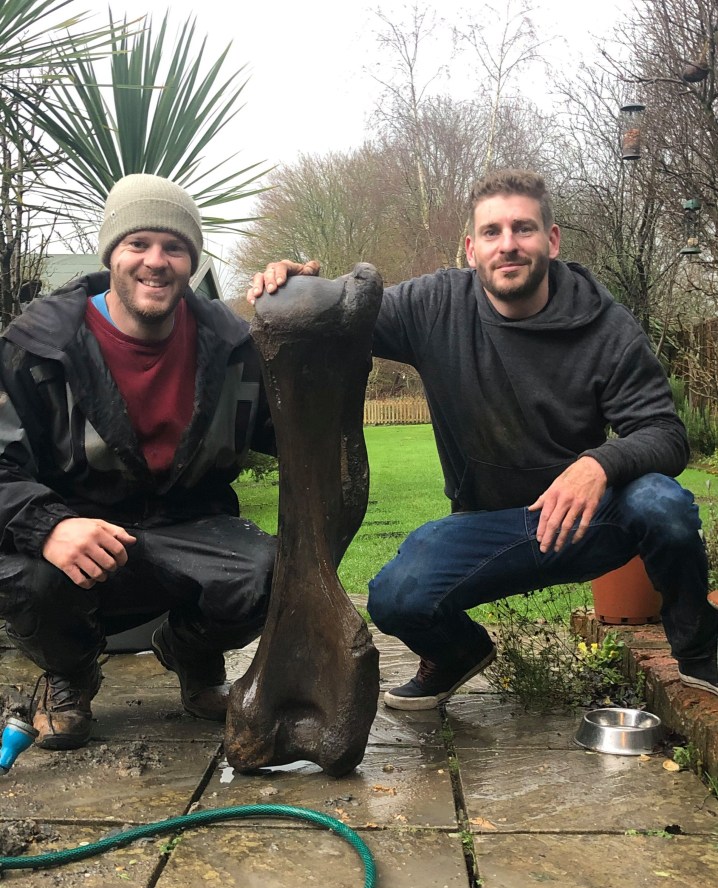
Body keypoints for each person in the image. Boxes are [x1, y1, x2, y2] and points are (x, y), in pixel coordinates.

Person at [248, 168, 718, 710]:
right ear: (472, 248)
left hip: (588, 523)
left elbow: (665, 433)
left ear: (552, 239)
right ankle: (458, 653)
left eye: (524, 229)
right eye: (493, 232)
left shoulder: (606, 327)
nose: (509, 245)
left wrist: (599, 465)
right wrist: (296, 284)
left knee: (661, 502)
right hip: (486, 527)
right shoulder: (434, 306)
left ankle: (700, 649)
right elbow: (339, 317)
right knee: (395, 597)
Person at [0, 173, 276, 749]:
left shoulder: (232, 347)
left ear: (192, 260)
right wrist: (49, 526)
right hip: (81, 525)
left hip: (191, 528)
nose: (156, 261)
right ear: (112, 254)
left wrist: (303, 315)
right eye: (138, 244)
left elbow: (299, 424)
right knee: (28, 580)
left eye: (174, 247)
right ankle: (71, 673)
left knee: (270, 573)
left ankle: (189, 650)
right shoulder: (38, 345)